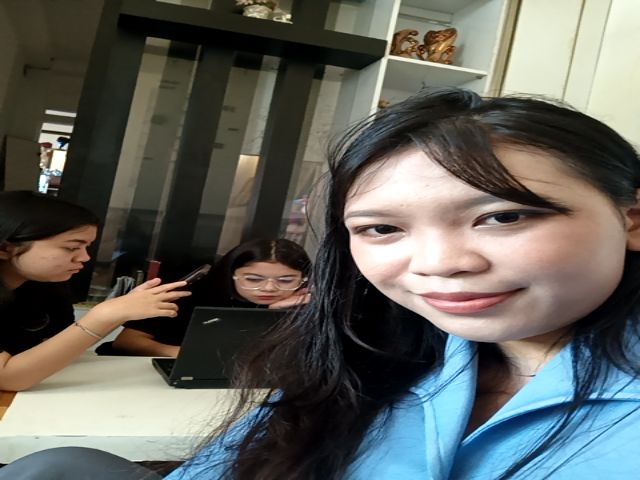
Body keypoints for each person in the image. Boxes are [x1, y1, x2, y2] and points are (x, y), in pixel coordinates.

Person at [3, 87, 640, 479]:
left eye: (502, 216)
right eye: (382, 229)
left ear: (631, 219)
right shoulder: (365, 362)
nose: (439, 263)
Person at [0, 191, 190, 391]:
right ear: (5, 248)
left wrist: (121, 312)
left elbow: (52, 348)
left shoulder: (46, 287)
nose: (85, 257)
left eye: (87, 247)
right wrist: (102, 316)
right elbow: (8, 379)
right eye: (71, 248)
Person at [110, 238, 311, 357]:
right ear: (231, 274)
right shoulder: (188, 294)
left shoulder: (304, 304)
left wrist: (277, 314)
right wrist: (183, 355)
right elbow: (127, 341)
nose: (269, 288)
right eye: (253, 279)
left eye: (286, 280)